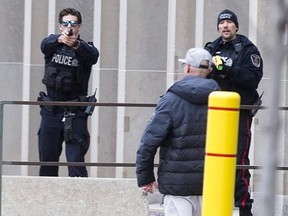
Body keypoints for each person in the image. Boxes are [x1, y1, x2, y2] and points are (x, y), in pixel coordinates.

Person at [136, 48, 220, 216]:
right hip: (211, 184)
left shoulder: (171, 100)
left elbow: (149, 141)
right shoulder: (222, 100)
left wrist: (145, 177)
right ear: (210, 70)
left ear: (187, 68)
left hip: (177, 185)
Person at [204, 9, 263, 216]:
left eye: (229, 22)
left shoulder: (247, 49)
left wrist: (229, 69)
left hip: (239, 112)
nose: (225, 26)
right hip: (214, 113)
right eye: (222, 23)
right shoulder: (211, 48)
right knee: (210, 158)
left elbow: (252, 79)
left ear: (236, 26)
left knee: (239, 160)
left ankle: (244, 207)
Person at [38, 8, 99, 177]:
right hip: (51, 111)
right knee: (47, 162)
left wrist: (76, 44)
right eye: (65, 23)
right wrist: (60, 40)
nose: (69, 27)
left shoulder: (85, 49)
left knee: (75, 163)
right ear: (60, 26)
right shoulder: (52, 44)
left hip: (75, 112)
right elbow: (44, 45)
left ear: (79, 27)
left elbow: (93, 56)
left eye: (73, 23)